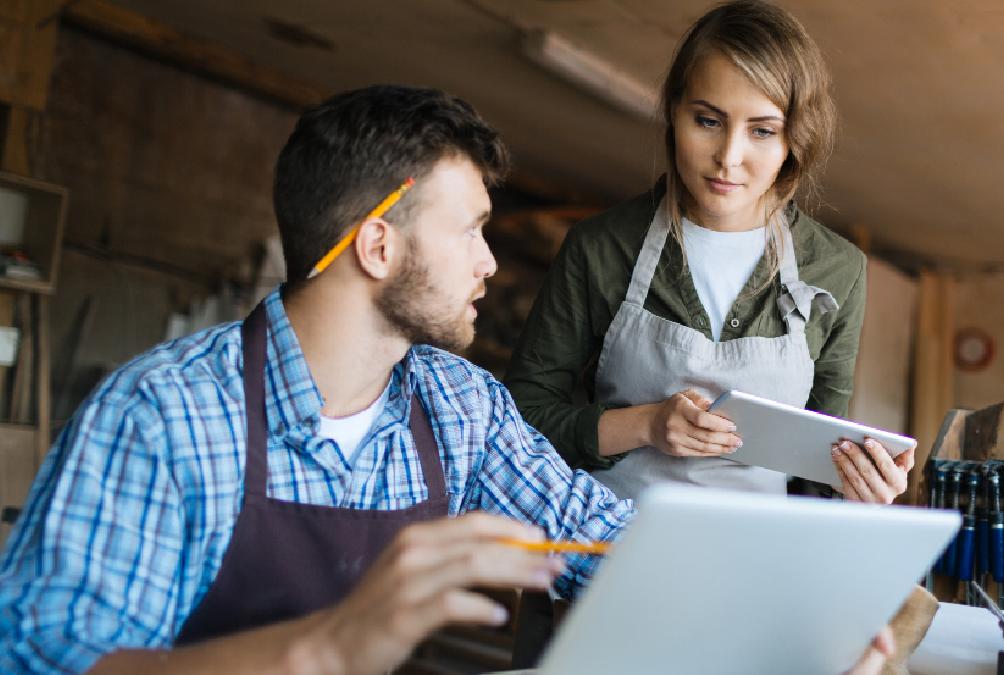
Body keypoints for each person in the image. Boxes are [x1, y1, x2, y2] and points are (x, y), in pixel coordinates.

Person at [0, 85, 635, 674]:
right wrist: (325, 647)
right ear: (378, 247)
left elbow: (600, 539)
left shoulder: (460, 405)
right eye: (470, 229)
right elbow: (50, 661)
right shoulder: (164, 413)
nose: (488, 262)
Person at [505, 0, 915, 504]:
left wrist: (857, 485)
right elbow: (520, 420)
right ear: (673, 112)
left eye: (762, 131)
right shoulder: (602, 247)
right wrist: (645, 425)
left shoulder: (837, 269)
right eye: (707, 120)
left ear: (794, 139)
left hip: (756, 547)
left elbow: (816, 466)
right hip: (611, 538)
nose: (729, 157)